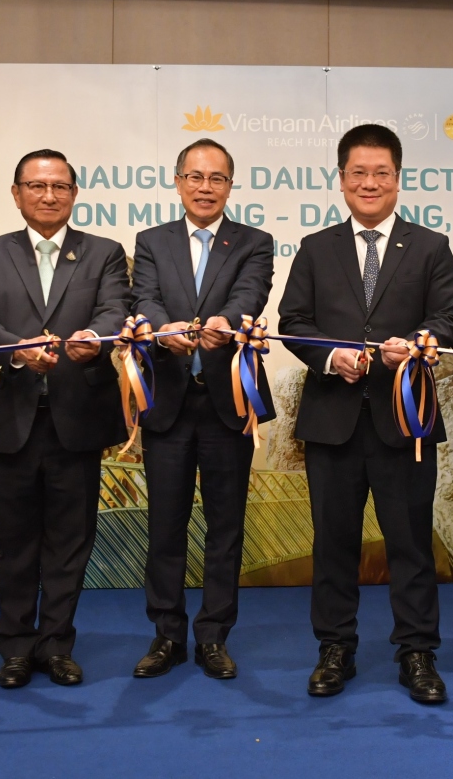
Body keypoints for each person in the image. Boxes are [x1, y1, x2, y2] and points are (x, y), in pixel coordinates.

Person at [278, 124, 453, 703]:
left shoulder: (430, 246)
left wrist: (420, 342)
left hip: (404, 422)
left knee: (410, 543)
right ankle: (335, 648)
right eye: (358, 172)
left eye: (381, 172)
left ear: (398, 179)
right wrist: (331, 357)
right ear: (341, 179)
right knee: (333, 543)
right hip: (332, 421)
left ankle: (417, 652)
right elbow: (293, 321)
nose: (370, 183)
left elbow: (448, 319)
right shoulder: (316, 247)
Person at [0, 149, 130, 688]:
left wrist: (94, 339)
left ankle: (57, 645)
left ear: (74, 193)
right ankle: (15, 647)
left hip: (77, 417)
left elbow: (114, 310)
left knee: (69, 541)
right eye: (36, 186)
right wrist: (18, 349)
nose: (49, 195)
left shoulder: (104, 252)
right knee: (13, 542)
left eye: (60, 186)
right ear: (17, 194)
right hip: (12, 417)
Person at [129, 139, 275, 681]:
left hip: (226, 403)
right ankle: (167, 635)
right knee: (164, 526)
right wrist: (159, 326)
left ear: (230, 186)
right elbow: (143, 297)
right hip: (167, 402)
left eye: (217, 178)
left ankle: (214, 635)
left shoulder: (255, 242)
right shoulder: (152, 241)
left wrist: (226, 322)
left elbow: (250, 295)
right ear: (178, 182)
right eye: (195, 176)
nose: (205, 187)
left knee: (225, 528)